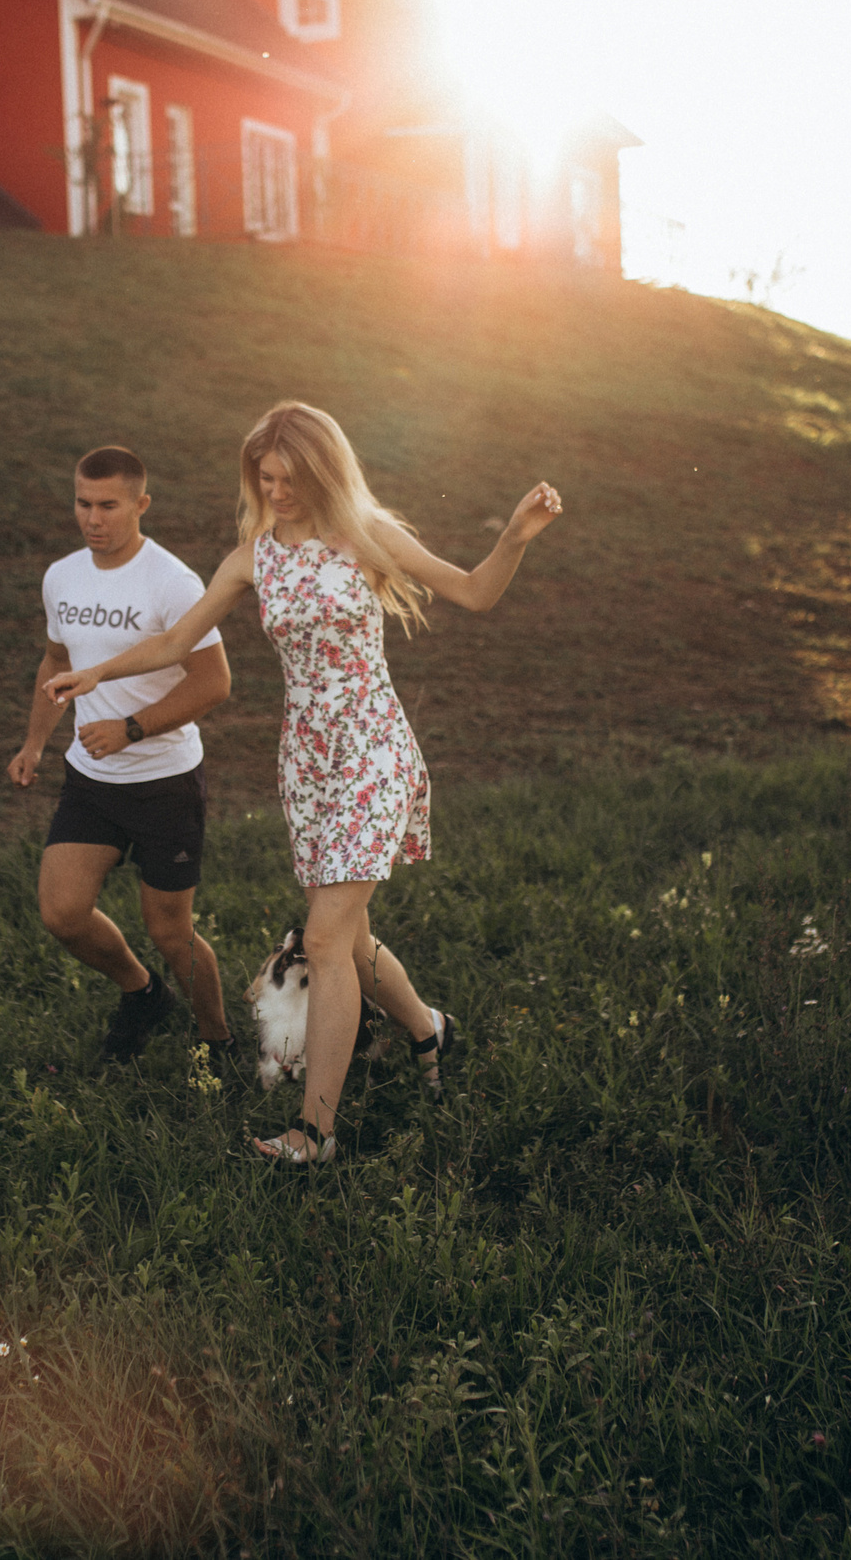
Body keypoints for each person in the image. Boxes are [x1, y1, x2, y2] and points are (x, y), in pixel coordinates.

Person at [48, 403, 562, 1161]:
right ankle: (428, 1031)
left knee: (322, 937)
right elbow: (174, 640)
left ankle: (314, 1132)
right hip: (308, 760)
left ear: (322, 470)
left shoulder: (366, 534)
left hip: (371, 747)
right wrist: (98, 668)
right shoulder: (256, 554)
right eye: (265, 477)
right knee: (346, 942)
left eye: (290, 477)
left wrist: (512, 538)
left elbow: (476, 591)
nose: (277, 490)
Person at [9, 445, 236, 1063]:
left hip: (164, 782)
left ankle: (219, 1040)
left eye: (108, 505)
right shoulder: (62, 575)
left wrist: (132, 728)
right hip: (92, 781)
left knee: (170, 930)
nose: (93, 518)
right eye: (83, 503)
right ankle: (142, 994)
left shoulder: (171, 581)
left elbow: (214, 681)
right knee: (62, 913)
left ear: (142, 504)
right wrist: (35, 742)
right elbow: (56, 664)